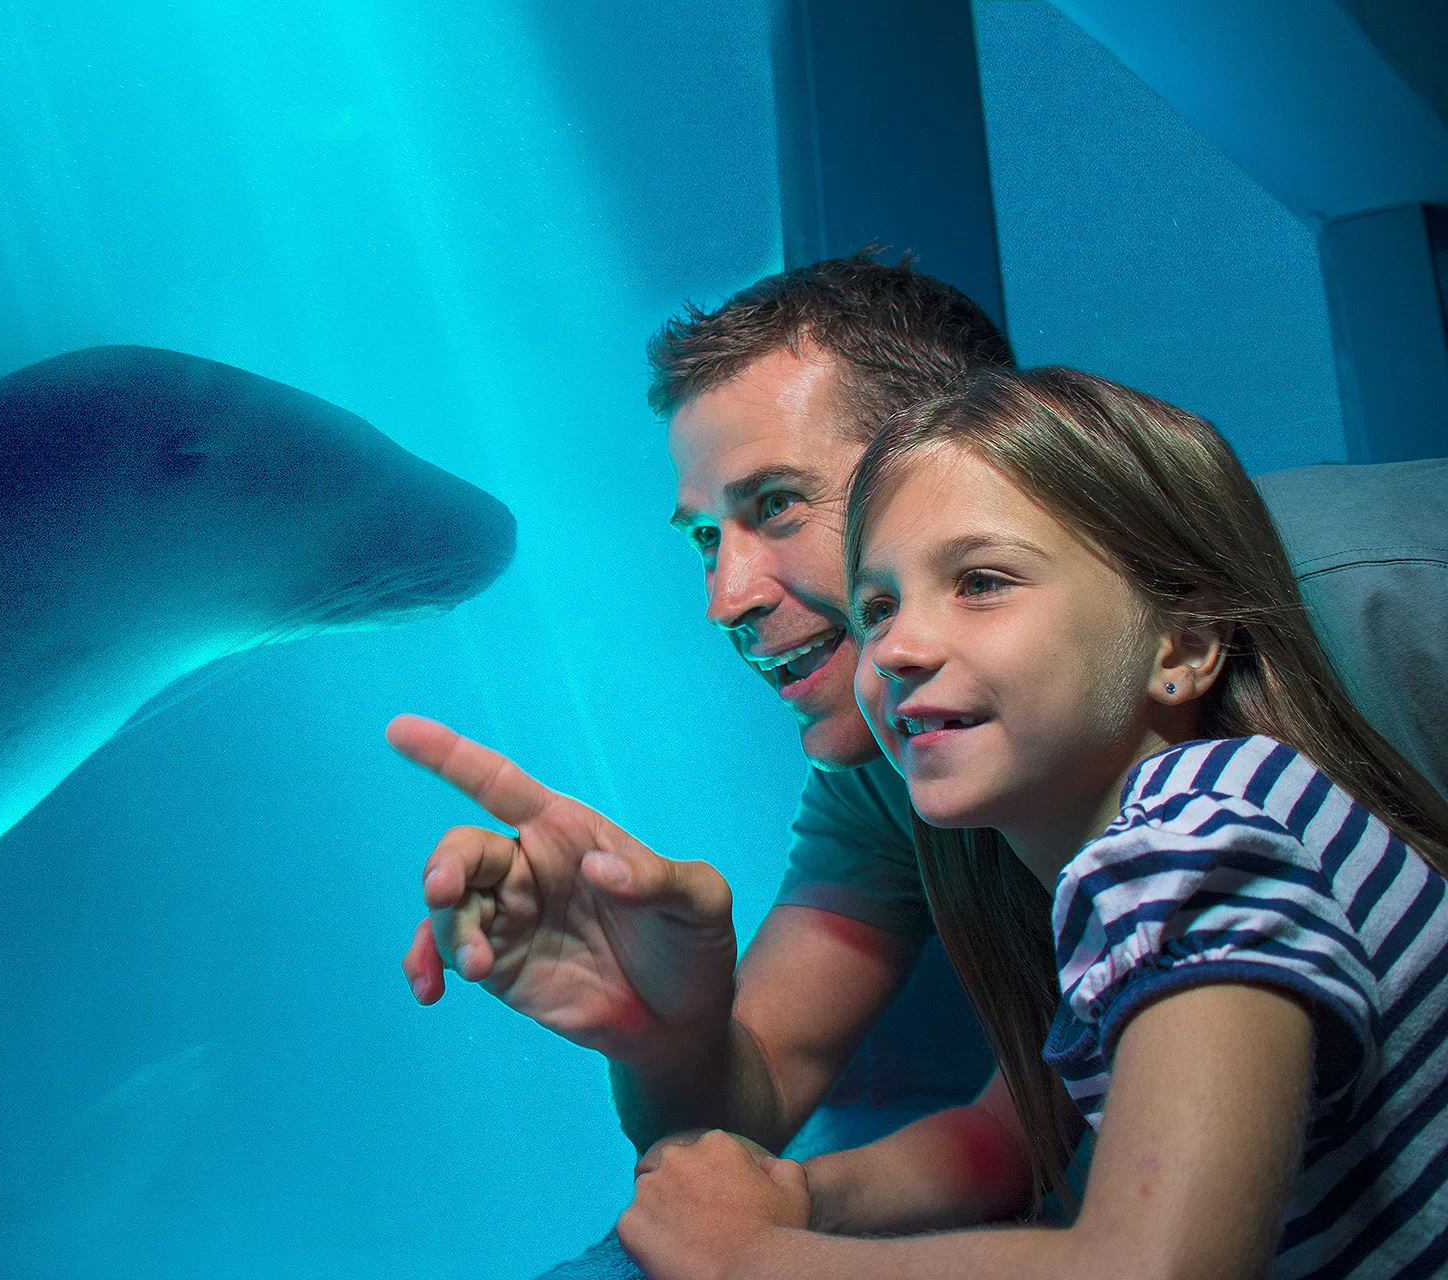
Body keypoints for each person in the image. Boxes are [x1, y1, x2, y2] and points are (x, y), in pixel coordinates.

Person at [387, 254, 1448, 1238]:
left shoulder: (1370, 614)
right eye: (708, 537)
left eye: (776, 505)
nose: (723, 597)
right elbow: (981, 1114)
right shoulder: (916, 747)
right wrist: (662, 1025)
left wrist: (758, 1256)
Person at [617, 366, 1448, 1278]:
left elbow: (1154, 1270)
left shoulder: (1184, 852)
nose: (894, 647)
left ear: (1183, 643)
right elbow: (1009, 1131)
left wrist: (751, 1258)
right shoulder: (1229, 811)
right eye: (879, 605)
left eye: (980, 583)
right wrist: (801, 1197)